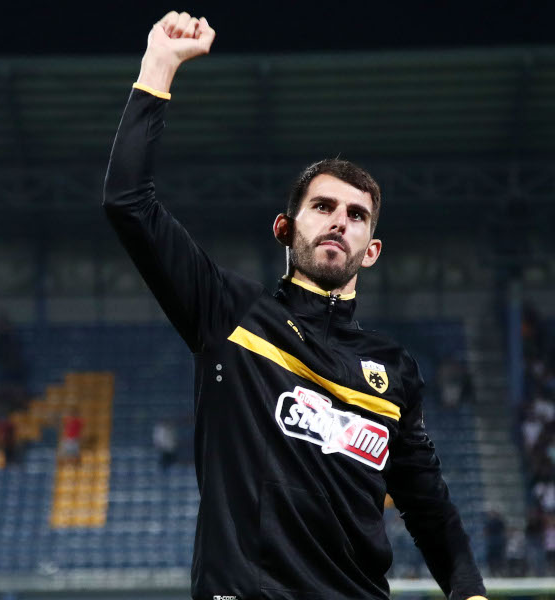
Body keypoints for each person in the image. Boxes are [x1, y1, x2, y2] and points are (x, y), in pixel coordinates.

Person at [103, 11, 487, 600]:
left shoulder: (394, 370)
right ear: (285, 228)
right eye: (323, 207)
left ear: (371, 250)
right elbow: (128, 203)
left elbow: (428, 506)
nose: (339, 221)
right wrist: (159, 64)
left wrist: (471, 591)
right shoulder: (230, 313)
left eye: (356, 215)